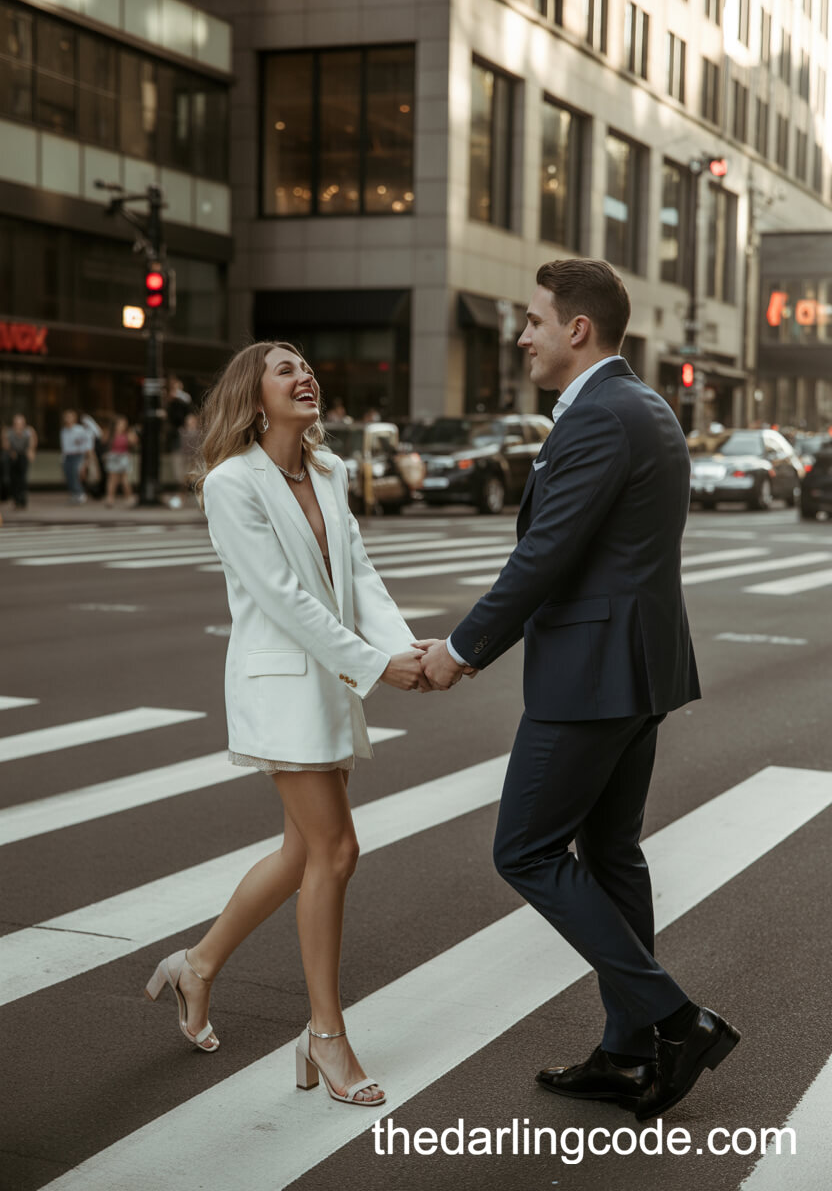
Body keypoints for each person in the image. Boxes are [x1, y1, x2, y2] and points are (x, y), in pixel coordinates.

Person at [417, 259, 740, 1121]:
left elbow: (546, 554)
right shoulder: (643, 406)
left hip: (594, 675)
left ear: (577, 328)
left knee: (524, 849)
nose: (523, 336)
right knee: (610, 853)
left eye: (533, 321)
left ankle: (676, 1020)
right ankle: (629, 1054)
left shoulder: (600, 416)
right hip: (636, 668)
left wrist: (461, 650)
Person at [144, 340, 428, 1107]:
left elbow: (357, 574)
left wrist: (405, 650)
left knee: (303, 852)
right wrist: (378, 665)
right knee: (337, 850)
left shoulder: (328, 471)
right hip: (281, 688)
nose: (304, 376)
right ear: (254, 395)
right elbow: (283, 598)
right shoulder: (231, 484)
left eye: (306, 366)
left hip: (330, 683)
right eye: (285, 369)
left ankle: (197, 967)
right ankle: (325, 1036)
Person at [60, 410, 94, 504]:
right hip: (67, 456)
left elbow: (88, 439)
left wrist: (87, 455)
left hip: (77, 455)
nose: (68, 419)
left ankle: (80, 493)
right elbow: (64, 446)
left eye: (70, 417)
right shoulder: (63, 431)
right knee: (69, 475)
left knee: (76, 474)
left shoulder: (80, 430)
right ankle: (74, 494)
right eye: (66, 417)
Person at [103, 416, 137, 507]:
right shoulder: (110, 434)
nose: (121, 426)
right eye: (119, 424)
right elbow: (104, 441)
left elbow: (134, 442)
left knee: (124, 479)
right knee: (112, 479)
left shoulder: (128, 434)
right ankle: (110, 498)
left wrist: (131, 436)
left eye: (123, 424)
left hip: (123, 457)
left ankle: (129, 497)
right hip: (113, 456)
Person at [6, 414, 37, 509]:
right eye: (16, 423)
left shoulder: (28, 431)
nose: (18, 425)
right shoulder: (10, 432)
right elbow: (6, 444)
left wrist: (31, 451)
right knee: (14, 478)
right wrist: (11, 451)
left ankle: (23, 500)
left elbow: (32, 442)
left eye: (20, 423)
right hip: (14, 455)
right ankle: (16, 500)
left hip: (23, 455)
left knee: (22, 478)